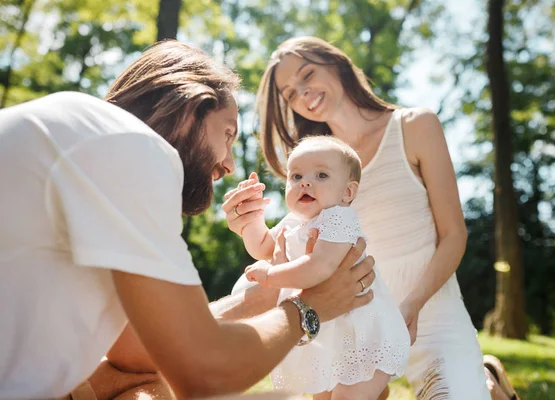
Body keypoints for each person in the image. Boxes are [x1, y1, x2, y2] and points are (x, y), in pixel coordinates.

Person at [0, 40, 377, 400]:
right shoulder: (130, 147)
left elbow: (137, 352)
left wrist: (254, 300)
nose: (229, 164)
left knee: (139, 382)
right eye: (228, 133)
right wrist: (309, 309)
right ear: (190, 106)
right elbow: (204, 374)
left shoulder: (88, 135)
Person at [226, 36, 520, 400]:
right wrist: (249, 224)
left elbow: (454, 235)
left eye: (307, 75)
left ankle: (486, 384)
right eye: (289, 93)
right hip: (354, 322)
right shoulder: (316, 163)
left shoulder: (415, 126)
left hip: (430, 314)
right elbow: (296, 247)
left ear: (337, 64)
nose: (303, 93)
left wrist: (411, 305)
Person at [235, 136, 410, 399]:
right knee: (322, 394)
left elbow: (319, 267)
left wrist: (271, 275)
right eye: (296, 176)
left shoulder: (339, 218)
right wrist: (252, 219)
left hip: (362, 332)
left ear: (347, 192)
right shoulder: (292, 220)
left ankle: (371, 389)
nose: (305, 182)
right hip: (326, 331)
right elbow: (262, 246)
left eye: (321, 175)